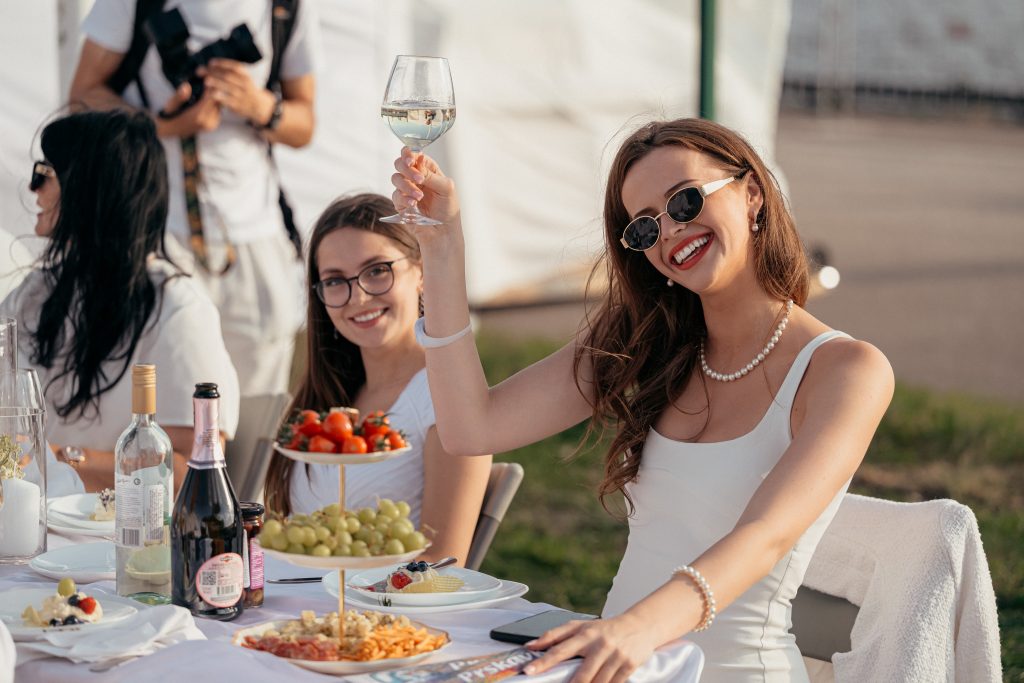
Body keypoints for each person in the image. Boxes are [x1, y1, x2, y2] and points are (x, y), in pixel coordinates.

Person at [390, 118, 894, 682]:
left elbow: (764, 536)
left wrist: (637, 629)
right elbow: (471, 429)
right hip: (617, 664)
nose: (671, 231)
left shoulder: (846, 370)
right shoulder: (649, 339)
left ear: (752, 192)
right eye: (645, 227)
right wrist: (442, 246)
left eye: (685, 201)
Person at [68, 0, 320, 396]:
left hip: (254, 232)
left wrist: (258, 105)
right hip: (154, 230)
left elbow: (304, 124)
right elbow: (82, 97)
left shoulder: (285, 6)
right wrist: (163, 125)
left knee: (257, 405)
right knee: (164, 397)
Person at [0, 109, 239, 493]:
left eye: (45, 173)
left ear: (89, 189)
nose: (33, 188)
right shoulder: (37, 291)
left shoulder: (178, 310)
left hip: (115, 528)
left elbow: (191, 472)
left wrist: (57, 460)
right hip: (27, 516)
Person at [263, 194, 491, 563]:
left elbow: (443, 562)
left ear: (421, 271)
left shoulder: (445, 399)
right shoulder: (331, 397)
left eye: (376, 270)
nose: (358, 297)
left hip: (380, 600)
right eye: (335, 281)